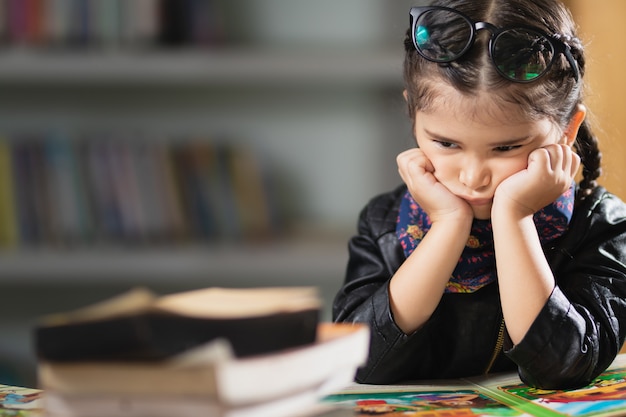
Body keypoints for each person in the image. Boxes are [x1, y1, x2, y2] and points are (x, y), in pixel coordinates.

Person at [332, 0, 626, 390]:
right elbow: (358, 362)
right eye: (446, 143)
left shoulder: (603, 227)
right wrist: (449, 226)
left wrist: (515, 217)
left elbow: (561, 368)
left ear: (567, 131)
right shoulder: (384, 222)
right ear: (412, 116)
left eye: (505, 148)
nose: (472, 177)